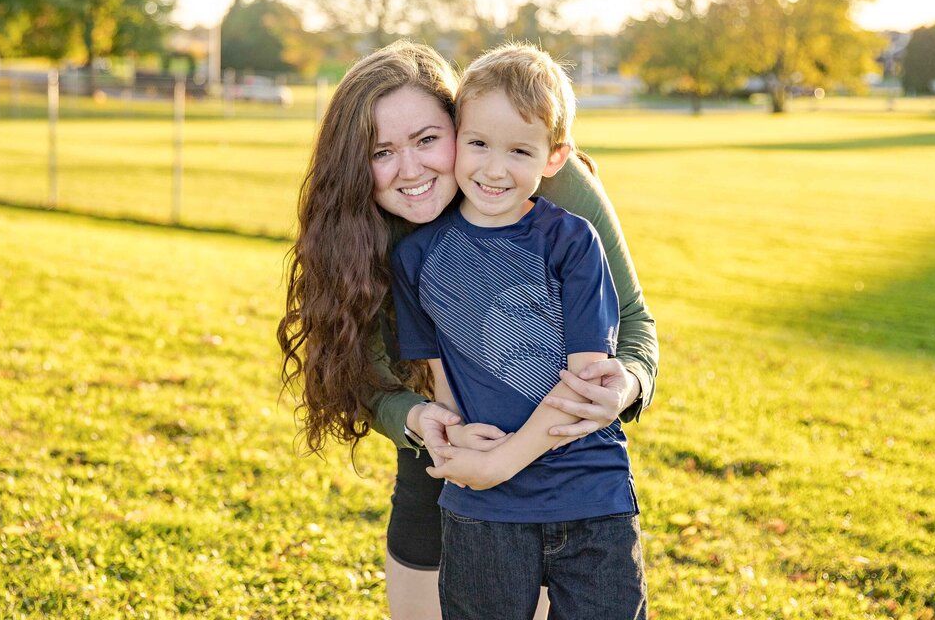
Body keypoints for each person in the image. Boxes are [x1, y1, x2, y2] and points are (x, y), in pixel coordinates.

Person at [277, 40, 657, 620]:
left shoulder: (552, 188)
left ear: (460, 126)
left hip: (562, 458)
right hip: (446, 448)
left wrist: (624, 384)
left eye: (429, 140)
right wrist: (418, 419)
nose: (411, 169)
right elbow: (364, 371)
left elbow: (631, 323)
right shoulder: (356, 231)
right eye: (382, 151)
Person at [390, 43, 646, 619]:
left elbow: (586, 382)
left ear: (555, 158)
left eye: (520, 150)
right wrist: (467, 457)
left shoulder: (572, 240)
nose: (495, 168)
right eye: (478, 144)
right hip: (482, 510)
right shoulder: (416, 258)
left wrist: (502, 462)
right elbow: (440, 381)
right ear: (456, 137)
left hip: (590, 497)